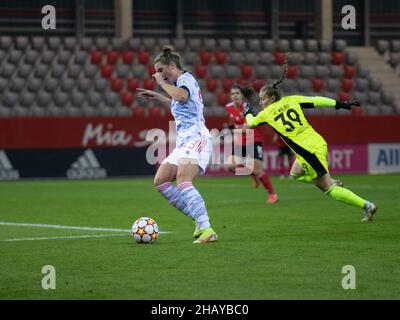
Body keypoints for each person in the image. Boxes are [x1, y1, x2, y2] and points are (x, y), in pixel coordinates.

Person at [243, 60, 377, 222]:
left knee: (329, 189)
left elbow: (250, 123)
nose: (260, 103)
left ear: (272, 98)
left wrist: (248, 112)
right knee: (295, 173)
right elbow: (317, 100)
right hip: (317, 142)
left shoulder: (266, 114)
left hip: (307, 152)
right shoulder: (292, 99)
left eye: (263, 99)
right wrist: (340, 104)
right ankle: (330, 178)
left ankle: (366, 205)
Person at [136, 45, 218, 243]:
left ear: (172, 66)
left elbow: (182, 96)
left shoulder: (185, 80)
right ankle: (198, 219)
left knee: (183, 180)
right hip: (184, 142)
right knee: (161, 181)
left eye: (161, 70)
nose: (158, 75)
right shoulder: (180, 84)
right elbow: (179, 101)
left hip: (197, 138)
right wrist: (159, 97)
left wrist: (161, 85)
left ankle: (207, 230)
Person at [225, 85, 278, 204]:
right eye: (232, 94)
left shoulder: (246, 108)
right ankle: (251, 173)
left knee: (258, 170)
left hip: (253, 139)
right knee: (230, 166)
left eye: (237, 93)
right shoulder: (229, 107)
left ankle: (272, 194)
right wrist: (230, 128)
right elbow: (232, 122)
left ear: (242, 95)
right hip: (240, 141)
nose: (235, 96)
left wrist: (230, 131)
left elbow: (246, 129)